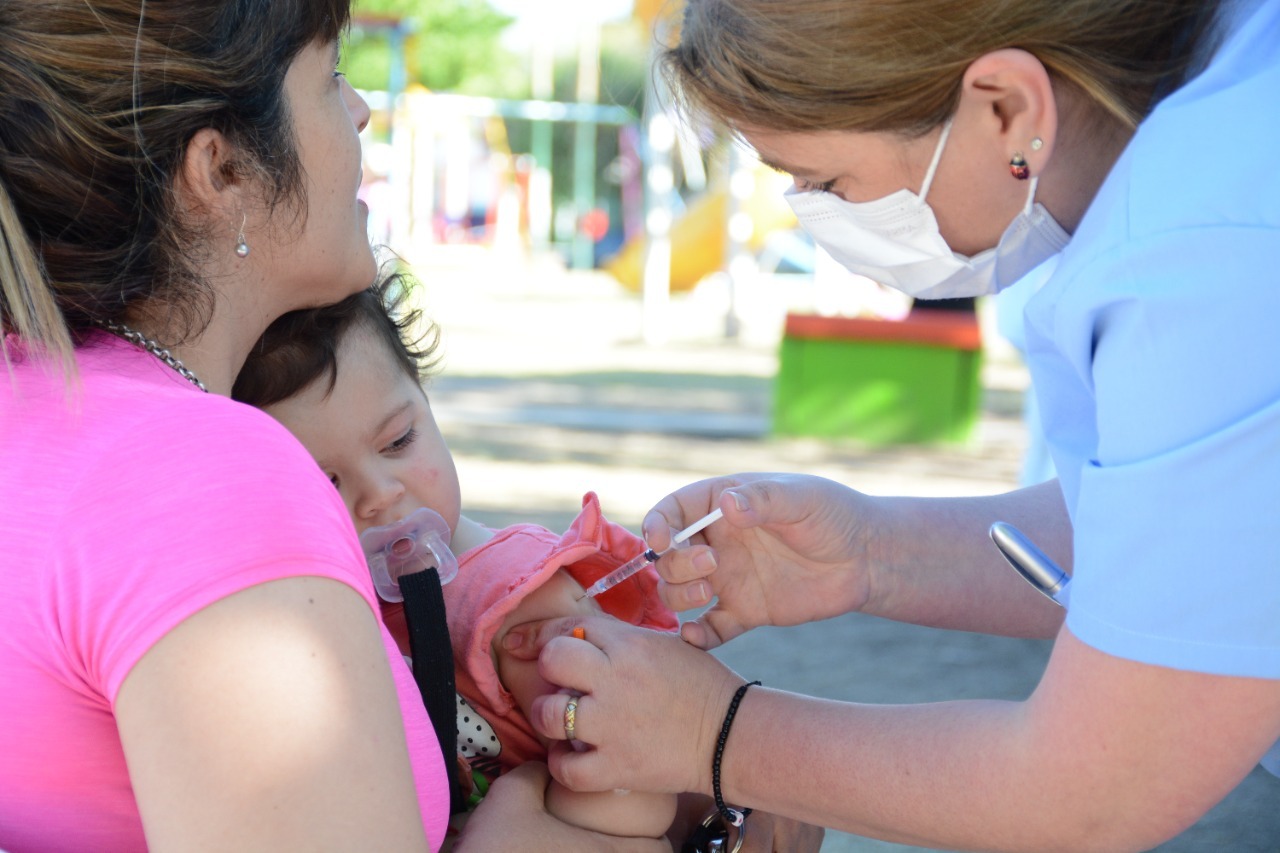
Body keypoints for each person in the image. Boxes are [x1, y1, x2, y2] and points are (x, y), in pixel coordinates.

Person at [498, 1, 1280, 851]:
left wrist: (714, 735)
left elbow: (1097, 785)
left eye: (827, 183)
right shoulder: (1210, 149)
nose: (810, 211)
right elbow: (1188, 539)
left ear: (1007, 109)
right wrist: (872, 550)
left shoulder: (1209, 256)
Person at [0, 3, 671, 850]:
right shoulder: (203, 469)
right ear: (222, 169)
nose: (360, 111)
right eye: (330, 76)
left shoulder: (38, 405)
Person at [233, 274, 682, 842]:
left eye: (398, 441)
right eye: (324, 482)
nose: (379, 494)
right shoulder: (318, 606)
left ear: (425, 400)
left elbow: (634, 790)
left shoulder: (514, 598)